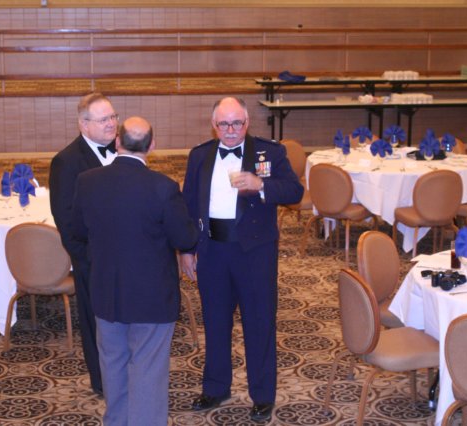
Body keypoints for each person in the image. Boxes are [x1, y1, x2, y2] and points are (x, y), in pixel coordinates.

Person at [180, 96, 304, 422]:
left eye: (237, 123)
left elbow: (295, 192)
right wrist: (187, 250)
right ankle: (216, 387)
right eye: (224, 124)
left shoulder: (269, 152)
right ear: (214, 125)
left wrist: (261, 185)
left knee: (259, 323)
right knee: (215, 321)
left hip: (255, 253)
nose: (231, 130)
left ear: (247, 122)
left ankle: (262, 395)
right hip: (212, 251)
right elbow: (189, 205)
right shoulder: (199, 155)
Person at [72, 116, 199, 426]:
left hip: (106, 291)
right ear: (152, 146)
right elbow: (184, 239)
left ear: (118, 142)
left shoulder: (87, 181)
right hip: (151, 298)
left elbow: (77, 230)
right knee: (148, 371)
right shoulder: (163, 187)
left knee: (113, 365)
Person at [49, 92, 119, 396]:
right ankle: (102, 382)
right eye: (103, 119)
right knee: (95, 323)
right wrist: (86, 259)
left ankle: (126, 373)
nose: (111, 124)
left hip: (128, 256)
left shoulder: (124, 149)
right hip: (93, 260)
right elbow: (65, 220)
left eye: (113, 117)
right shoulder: (66, 162)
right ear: (84, 124)